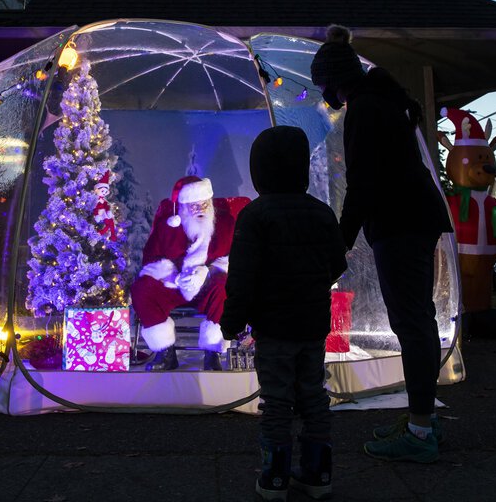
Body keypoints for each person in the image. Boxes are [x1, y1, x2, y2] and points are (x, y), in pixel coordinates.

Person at [309, 24, 454, 464]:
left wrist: (340, 244)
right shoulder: (381, 100)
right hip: (412, 219)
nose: (324, 97)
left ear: (336, 81)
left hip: (401, 223)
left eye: (323, 88)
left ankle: (420, 430)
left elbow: (363, 184)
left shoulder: (366, 109)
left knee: (412, 325)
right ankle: (420, 417)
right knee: (418, 322)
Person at [220, 125, 348, 501]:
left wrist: (232, 320)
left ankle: (275, 477)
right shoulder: (320, 212)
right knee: (313, 395)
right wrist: (312, 282)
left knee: (276, 400)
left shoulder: (255, 216)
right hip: (311, 326)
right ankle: (318, 473)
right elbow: (337, 263)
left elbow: (241, 276)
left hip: (273, 329)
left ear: (259, 170)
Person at [129, 176, 248, 371]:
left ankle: (213, 353)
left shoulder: (225, 223)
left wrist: (206, 273)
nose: (200, 209)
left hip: (208, 286)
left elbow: (232, 260)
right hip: (174, 286)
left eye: (204, 204)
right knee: (142, 289)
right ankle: (166, 352)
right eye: (194, 205)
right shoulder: (168, 226)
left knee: (225, 287)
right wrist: (174, 276)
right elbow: (152, 259)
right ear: (183, 207)